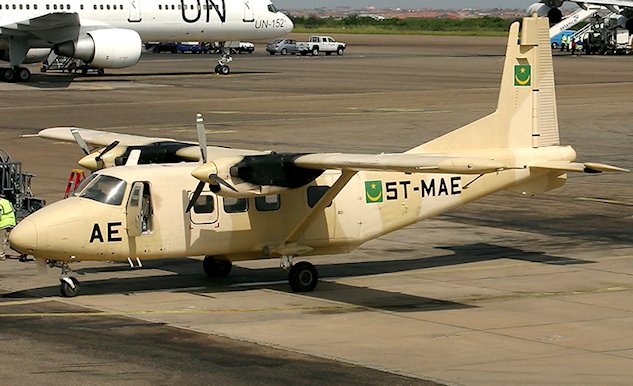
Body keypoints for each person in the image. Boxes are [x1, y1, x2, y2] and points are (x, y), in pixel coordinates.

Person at [0, 194, 16, 260]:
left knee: (2, 241)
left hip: (3, 224)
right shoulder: (7, 201)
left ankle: (1, 255)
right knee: (14, 240)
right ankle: (23, 253)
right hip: (12, 222)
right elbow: (13, 211)